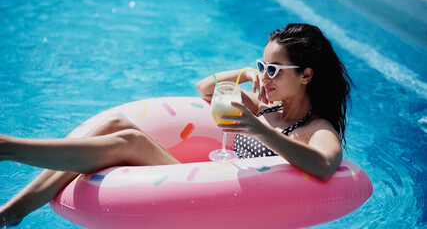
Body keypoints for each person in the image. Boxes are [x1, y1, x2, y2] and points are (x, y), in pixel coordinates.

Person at [0, 23, 352, 226]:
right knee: (116, 123)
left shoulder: (316, 128)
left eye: (273, 70)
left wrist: (259, 130)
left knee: (128, 141)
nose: (265, 76)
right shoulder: (264, 105)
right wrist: (247, 73)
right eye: (263, 65)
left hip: (228, 204)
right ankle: (13, 210)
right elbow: (205, 87)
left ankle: (9, 148)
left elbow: (324, 164)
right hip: (209, 185)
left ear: (306, 75)